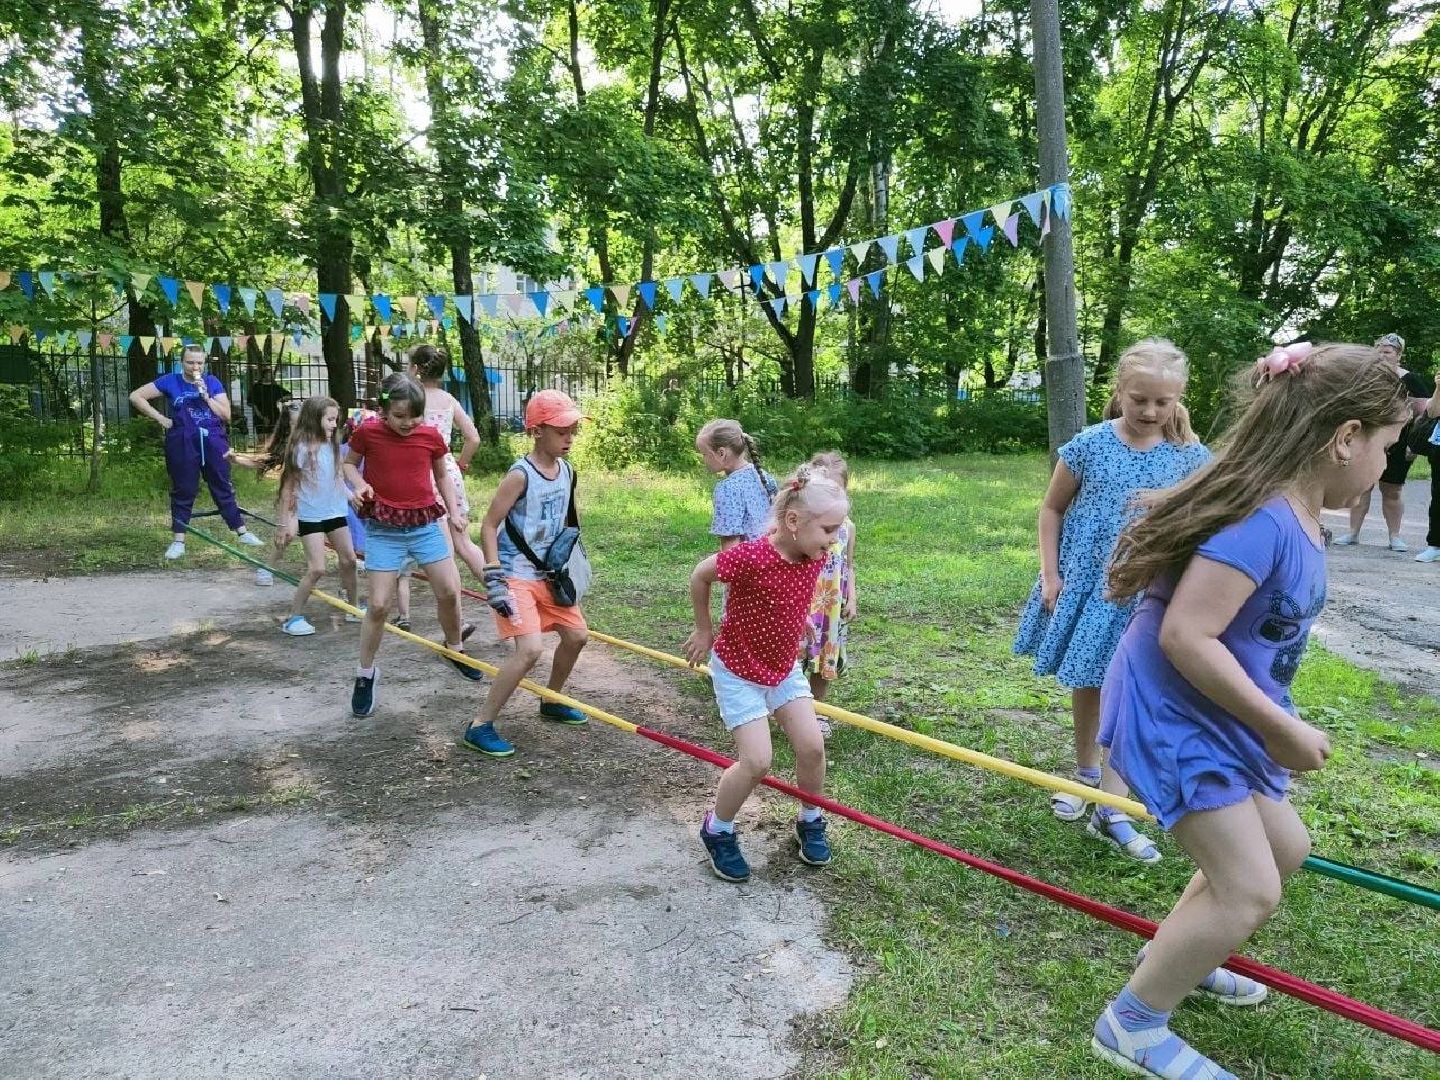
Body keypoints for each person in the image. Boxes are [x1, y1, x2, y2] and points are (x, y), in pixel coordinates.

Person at [1090, 342, 1408, 1079]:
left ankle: (1179, 949)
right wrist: (1282, 727)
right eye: (1386, 447)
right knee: (1249, 887)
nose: (1387, 468)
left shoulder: (1297, 511)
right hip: (1173, 712)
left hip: (1220, 712)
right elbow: (1184, 634)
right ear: (1345, 437)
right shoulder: (1262, 521)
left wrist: (1270, 718)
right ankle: (1132, 1025)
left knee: (1283, 850)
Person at [1014, 339, 1210, 864]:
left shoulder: (1192, 458)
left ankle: (1112, 804)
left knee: (1135, 691)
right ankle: (1085, 777)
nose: (1149, 412)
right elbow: (1051, 510)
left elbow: (1204, 524)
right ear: (1119, 392)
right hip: (1092, 589)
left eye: (1162, 402)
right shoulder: (1088, 446)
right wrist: (1051, 575)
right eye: (1139, 398)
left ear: (1177, 400)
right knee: (1091, 682)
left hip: (1152, 593)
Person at [683, 464, 850, 883]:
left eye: (837, 530)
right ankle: (717, 828)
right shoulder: (751, 556)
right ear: (793, 522)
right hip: (738, 670)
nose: (835, 540)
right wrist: (704, 629)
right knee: (757, 760)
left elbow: (791, 593)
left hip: (782, 668)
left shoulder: (813, 551)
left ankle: (810, 819)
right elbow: (701, 576)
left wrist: (799, 621)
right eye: (829, 529)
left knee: (812, 747)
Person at [459, 389, 591, 759]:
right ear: (537, 431)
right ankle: (479, 725)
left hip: (549, 576)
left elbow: (568, 522)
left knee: (578, 636)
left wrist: (570, 561)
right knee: (530, 649)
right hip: (516, 574)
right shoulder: (519, 475)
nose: (570, 437)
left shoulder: (567, 471)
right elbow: (488, 525)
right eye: (562, 430)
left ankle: (551, 700)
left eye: (573, 430)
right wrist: (493, 575)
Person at [343, 372, 482, 717]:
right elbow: (347, 465)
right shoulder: (368, 432)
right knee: (378, 605)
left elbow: (441, 476)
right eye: (400, 416)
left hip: (424, 524)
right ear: (384, 411)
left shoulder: (430, 436)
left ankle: (454, 648)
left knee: (450, 591)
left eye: (414, 415)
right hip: (384, 527)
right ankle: (365, 673)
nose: (408, 423)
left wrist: (454, 512)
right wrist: (359, 485)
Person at [129, 344, 266, 560]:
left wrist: (207, 397)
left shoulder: (212, 383)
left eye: (199, 362)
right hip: (182, 440)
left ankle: (242, 531)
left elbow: (226, 415)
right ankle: (178, 541)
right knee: (183, 488)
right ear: (181, 362)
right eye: (190, 362)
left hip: (213, 439)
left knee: (222, 484)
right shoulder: (170, 381)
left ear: (205, 363)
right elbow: (136, 396)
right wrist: (161, 419)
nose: (195, 367)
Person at [272, 396, 364, 637]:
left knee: (350, 561)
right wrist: (283, 524)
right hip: (311, 515)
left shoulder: (332, 443)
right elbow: (288, 489)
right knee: (317, 569)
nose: (335, 425)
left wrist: (350, 495)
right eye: (330, 420)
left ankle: (353, 608)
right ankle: (293, 618)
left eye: (336, 419)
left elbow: (335, 477)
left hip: (336, 512)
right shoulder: (300, 448)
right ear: (314, 419)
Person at [1332, 333, 1434, 550]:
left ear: (1398, 355)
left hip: (1400, 441)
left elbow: (1424, 415)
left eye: (1387, 351)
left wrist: (1414, 445)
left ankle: (1394, 536)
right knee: (1363, 487)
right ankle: (1353, 533)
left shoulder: (1410, 380)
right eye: (1379, 350)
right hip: (1368, 440)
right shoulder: (1366, 377)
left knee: (1392, 489)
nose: (1382, 355)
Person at [408, 345, 487, 579]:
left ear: (416, 369)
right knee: (463, 543)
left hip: (423, 475)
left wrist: (408, 379)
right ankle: (501, 592)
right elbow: (473, 438)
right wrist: (461, 466)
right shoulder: (449, 399)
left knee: (444, 551)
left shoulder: (412, 399)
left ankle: (453, 606)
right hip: (449, 471)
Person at [798, 451, 857, 736]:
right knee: (796, 654)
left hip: (832, 605)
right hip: (806, 601)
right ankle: (790, 710)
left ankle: (817, 711)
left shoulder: (848, 528)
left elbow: (848, 564)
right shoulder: (804, 530)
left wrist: (852, 597)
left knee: (824, 659)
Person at [697, 418, 779, 549]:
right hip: (772, 556)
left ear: (721, 453)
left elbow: (730, 546)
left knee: (700, 570)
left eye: (704, 454)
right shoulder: (763, 475)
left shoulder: (727, 489)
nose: (703, 459)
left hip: (749, 562)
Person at [248, 368, 293, 436]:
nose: (271, 375)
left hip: (274, 415)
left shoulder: (275, 387)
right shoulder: (256, 388)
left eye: (271, 374)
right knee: (262, 438)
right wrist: (262, 417)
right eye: (269, 374)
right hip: (260, 416)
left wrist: (280, 399)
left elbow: (289, 395)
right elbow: (253, 404)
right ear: (264, 375)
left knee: (273, 437)